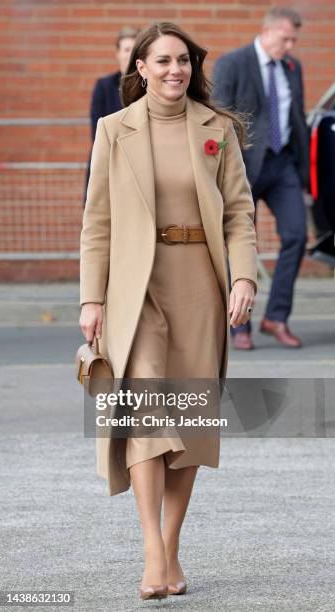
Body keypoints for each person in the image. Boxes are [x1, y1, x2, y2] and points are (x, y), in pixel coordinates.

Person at [79, 21, 257, 601]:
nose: (175, 70)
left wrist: (245, 277)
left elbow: (238, 215)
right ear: (141, 69)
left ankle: (172, 546)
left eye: (183, 60)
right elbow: (96, 224)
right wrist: (91, 298)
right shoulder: (113, 130)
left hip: (200, 287)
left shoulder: (218, 129)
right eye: (162, 61)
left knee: (191, 427)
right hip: (136, 289)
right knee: (148, 411)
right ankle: (152, 553)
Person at [212, 6, 309, 350]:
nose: (290, 45)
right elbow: (218, 115)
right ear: (266, 32)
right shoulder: (233, 63)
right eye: (286, 38)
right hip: (244, 168)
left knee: (297, 235)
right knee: (238, 244)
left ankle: (276, 317)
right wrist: (220, 171)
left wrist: (304, 172)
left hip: (283, 165)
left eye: (294, 39)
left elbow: (297, 117)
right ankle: (240, 324)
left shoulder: (292, 68)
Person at [83, 27, 139, 204]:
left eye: (134, 49)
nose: (130, 55)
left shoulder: (148, 86)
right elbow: (97, 131)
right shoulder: (104, 86)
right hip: (107, 161)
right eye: (126, 49)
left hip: (138, 164)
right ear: (118, 53)